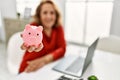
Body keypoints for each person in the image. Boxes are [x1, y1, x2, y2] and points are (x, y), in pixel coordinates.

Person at [19, 0, 66, 73]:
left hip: (46, 68)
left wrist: (44, 60)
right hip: (28, 68)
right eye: (45, 12)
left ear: (56, 15)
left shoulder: (58, 28)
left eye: (52, 13)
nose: (48, 16)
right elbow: (28, 38)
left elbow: (62, 49)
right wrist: (27, 40)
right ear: (39, 15)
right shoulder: (34, 28)